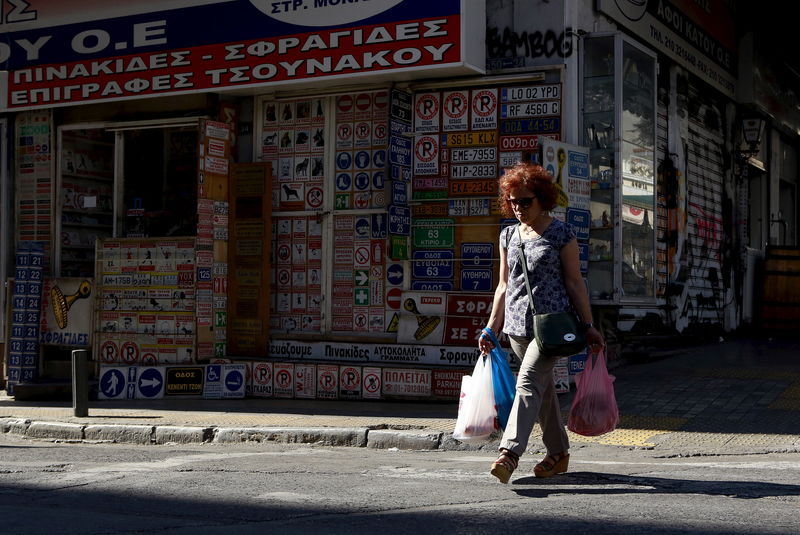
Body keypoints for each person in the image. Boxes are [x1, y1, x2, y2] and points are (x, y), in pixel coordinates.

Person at [478, 162, 605, 484]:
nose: (518, 208)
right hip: (518, 326)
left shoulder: (561, 233)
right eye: (513, 201)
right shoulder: (508, 234)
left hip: (552, 325)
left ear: (542, 199)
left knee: (528, 383)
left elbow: (575, 283)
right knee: (543, 391)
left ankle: (509, 453)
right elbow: (504, 286)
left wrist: (588, 325)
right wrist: (491, 328)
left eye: (526, 201)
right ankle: (558, 453)